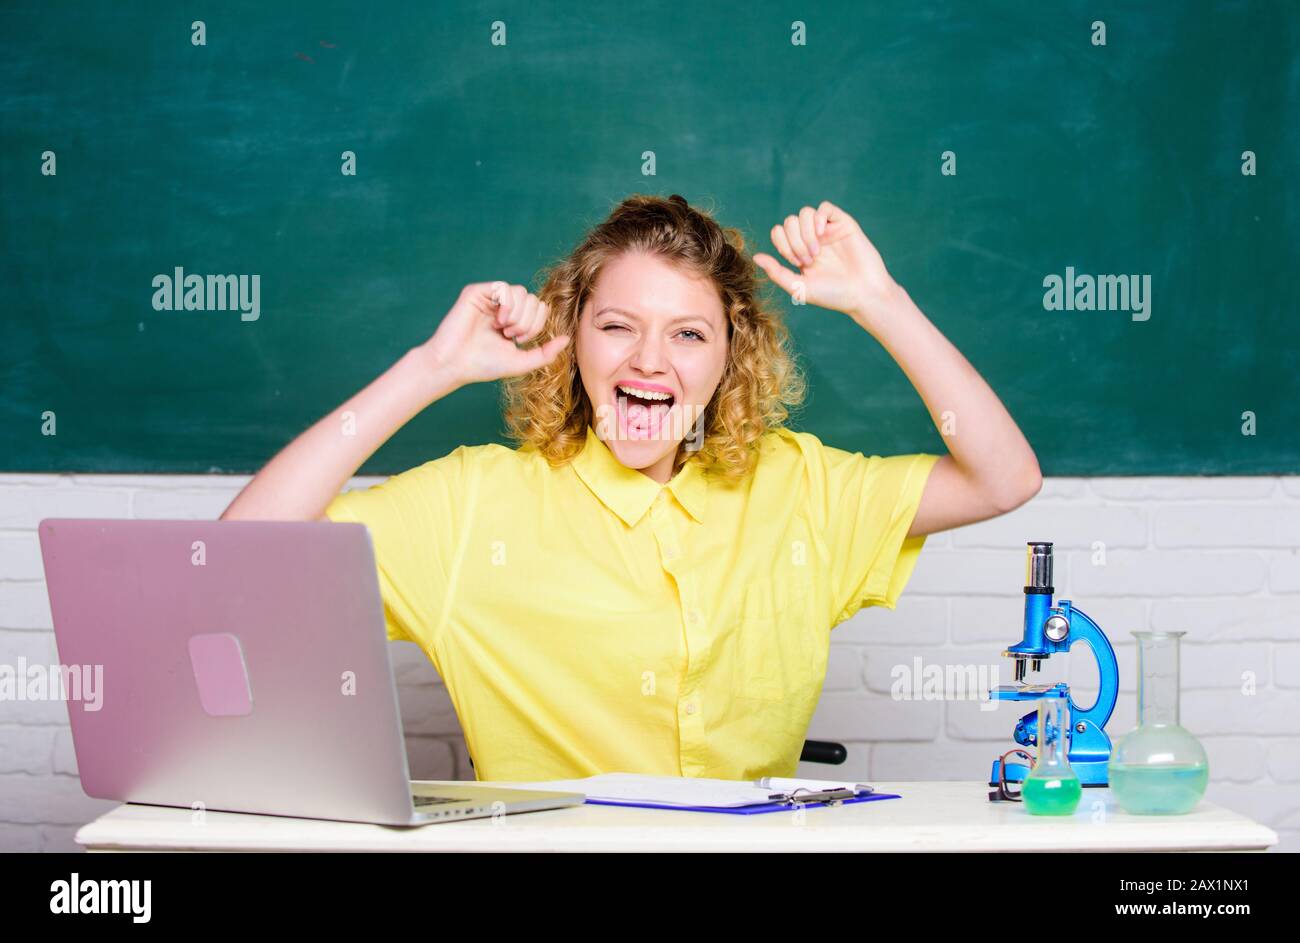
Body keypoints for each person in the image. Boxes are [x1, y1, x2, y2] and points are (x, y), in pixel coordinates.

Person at [221, 194, 1042, 781]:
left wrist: (879, 301)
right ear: (571, 337)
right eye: (618, 326)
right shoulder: (474, 506)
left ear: (731, 361)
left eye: (689, 334)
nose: (650, 361)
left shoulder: (801, 488)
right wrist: (430, 371)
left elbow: (1004, 477)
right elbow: (234, 562)